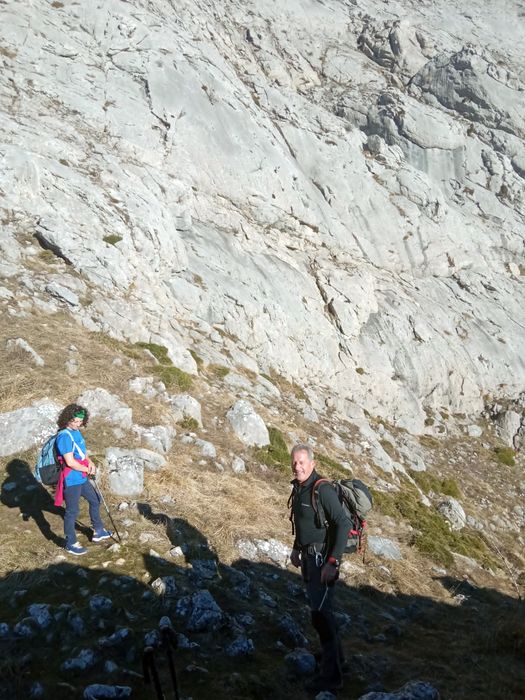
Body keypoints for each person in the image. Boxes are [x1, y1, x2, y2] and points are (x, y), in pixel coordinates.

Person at [289, 443, 351, 693]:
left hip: (322, 561)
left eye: (302, 462)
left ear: (312, 464)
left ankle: (332, 677)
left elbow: (343, 524)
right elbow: (302, 523)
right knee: (324, 613)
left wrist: (333, 562)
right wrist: (296, 548)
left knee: (320, 617)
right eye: (294, 462)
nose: (297, 467)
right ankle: (338, 660)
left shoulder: (321, 489)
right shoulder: (299, 488)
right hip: (308, 558)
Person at [53, 404, 111, 555]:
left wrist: (90, 462)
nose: (78, 424)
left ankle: (98, 531)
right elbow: (70, 462)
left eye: (80, 421)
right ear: (67, 419)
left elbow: (82, 453)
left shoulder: (76, 432)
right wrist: (87, 469)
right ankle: (70, 542)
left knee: (95, 499)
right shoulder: (64, 437)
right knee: (72, 511)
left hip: (81, 476)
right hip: (71, 478)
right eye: (75, 421)